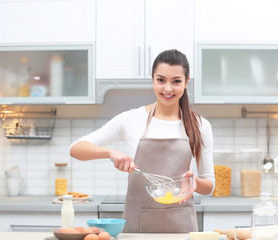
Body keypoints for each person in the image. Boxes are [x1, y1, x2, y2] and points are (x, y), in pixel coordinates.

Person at [70, 49, 215, 233]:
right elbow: (76, 149)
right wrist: (110, 152)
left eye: (176, 81)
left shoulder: (200, 126)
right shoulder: (131, 119)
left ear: (186, 82)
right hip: (137, 227)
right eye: (161, 80)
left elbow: (209, 185)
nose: (168, 88)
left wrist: (194, 182)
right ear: (152, 79)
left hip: (182, 228)